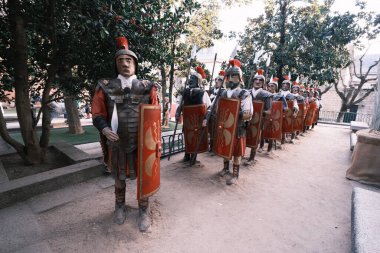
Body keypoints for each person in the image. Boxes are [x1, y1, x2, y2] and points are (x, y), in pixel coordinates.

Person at [91, 36, 159, 232]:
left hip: (142, 142)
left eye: (128, 60)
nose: (125, 63)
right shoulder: (105, 86)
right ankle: (119, 207)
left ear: (135, 64)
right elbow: (97, 113)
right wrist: (104, 129)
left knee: (144, 177)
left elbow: (154, 113)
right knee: (119, 177)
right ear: (116, 65)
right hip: (117, 141)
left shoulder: (148, 86)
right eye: (120, 61)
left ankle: (144, 211)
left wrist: (153, 142)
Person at [204, 59, 253, 185]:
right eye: (229, 76)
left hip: (238, 128)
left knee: (236, 153)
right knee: (224, 147)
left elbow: (248, 114)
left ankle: (235, 174)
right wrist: (208, 116)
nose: (231, 79)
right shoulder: (223, 92)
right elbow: (216, 108)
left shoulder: (245, 94)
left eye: (234, 76)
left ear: (240, 78)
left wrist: (236, 112)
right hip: (225, 126)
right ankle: (225, 168)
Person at [175, 66, 211, 164]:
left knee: (195, 138)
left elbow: (208, 108)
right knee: (187, 137)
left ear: (198, 81)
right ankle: (187, 156)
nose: (190, 80)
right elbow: (181, 105)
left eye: (193, 79)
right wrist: (178, 113)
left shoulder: (203, 93)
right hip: (187, 120)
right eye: (190, 78)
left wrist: (206, 119)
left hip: (197, 121)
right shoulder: (185, 92)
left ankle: (193, 157)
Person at [244, 69, 273, 166]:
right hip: (245, 118)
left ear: (263, 83)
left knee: (255, 137)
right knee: (243, 135)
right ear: (252, 81)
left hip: (258, 120)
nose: (257, 82)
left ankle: (252, 158)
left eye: (260, 80)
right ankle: (242, 153)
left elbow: (269, 111)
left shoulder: (267, 95)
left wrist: (260, 112)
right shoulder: (246, 93)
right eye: (256, 80)